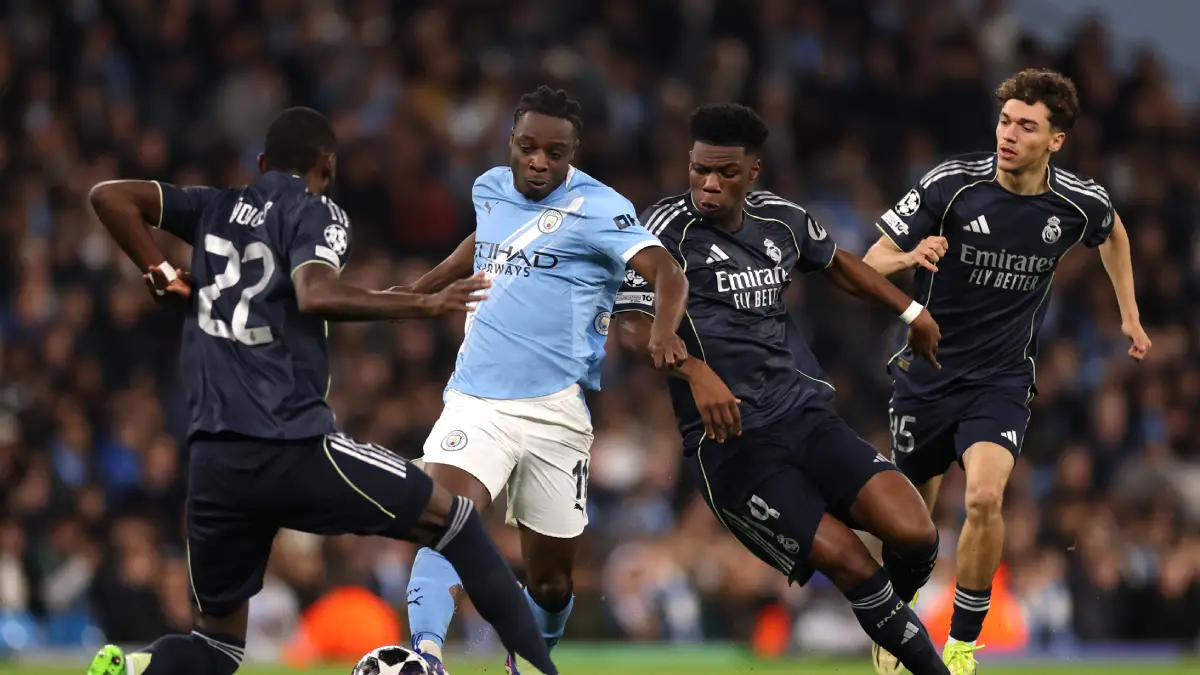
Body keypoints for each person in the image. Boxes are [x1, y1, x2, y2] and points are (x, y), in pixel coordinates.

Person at [84, 107, 560, 675]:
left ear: (261, 164)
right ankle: (542, 672)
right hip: (290, 445)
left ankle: (135, 670)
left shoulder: (211, 208)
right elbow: (313, 292)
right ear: (327, 168)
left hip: (213, 461)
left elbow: (109, 196)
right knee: (454, 518)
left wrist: (159, 269)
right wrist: (420, 304)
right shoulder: (316, 212)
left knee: (216, 644)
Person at [612, 102, 952, 675]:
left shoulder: (781, 219)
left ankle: (891, 626)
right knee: (850, 562)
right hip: (732, 444)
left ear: (753, 174)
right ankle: (919, 660)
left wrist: (912, 310)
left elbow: (837, 263)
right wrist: (696, 373)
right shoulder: (662, 231)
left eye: (723, 173)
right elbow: (628, 322)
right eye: (698, 170)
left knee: (916, 533)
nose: (707, 184)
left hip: (805, 415)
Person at [863, 69, 1152, 675]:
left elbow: (1113, 232)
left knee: (986, 497)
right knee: (913, 526)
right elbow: (872, 260)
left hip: (1000, 380)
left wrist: (1129, 314)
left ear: (1056, 140)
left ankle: (964, 646)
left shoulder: (1077, 201)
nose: (1009, 135)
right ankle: (899, 614)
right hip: (927, 373)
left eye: (1027, 126)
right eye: (1005, 121)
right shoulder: (952, 185)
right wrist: (913, 254)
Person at [395, 86, 688, 675]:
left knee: (552, 582)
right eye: (528, 147)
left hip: (556, 412)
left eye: (554, 153)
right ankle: (424, 656)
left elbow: (666, 270)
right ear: (512, 142)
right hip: (475, 399)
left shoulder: (603, 208)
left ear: (572, 152)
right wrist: (418, 290)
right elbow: (484, 243)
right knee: (445, 516)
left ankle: (520, 664)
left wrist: (662, 326)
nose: (538, 162)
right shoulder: (488, 187)